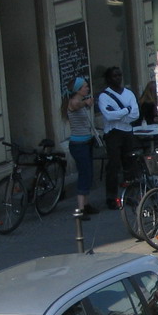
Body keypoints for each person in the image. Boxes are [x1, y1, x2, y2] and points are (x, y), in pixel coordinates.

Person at [97, 66, 139, 209]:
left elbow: (135, 114)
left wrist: (120, 114)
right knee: (113, 166)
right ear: (108, 78)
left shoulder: (129, 94)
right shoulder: (104, 96)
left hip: (127, 132)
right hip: (113, 133)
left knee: (130, 165)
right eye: (114, 76)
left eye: (119, 75)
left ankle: (130, 195)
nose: (118, 78)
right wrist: (126, 111)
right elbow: (109, 115)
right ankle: (111, 197)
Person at [62, 77, 99, 218]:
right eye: (84, 87)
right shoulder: (73, 102)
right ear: (78, 90)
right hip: (79, 145)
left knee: (88, 173)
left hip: (86, 142)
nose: (87, 88)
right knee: (84, 174)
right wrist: (87, 103)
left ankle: (86, 204)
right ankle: (81, 208)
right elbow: (77, 105)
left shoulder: (80, 101)